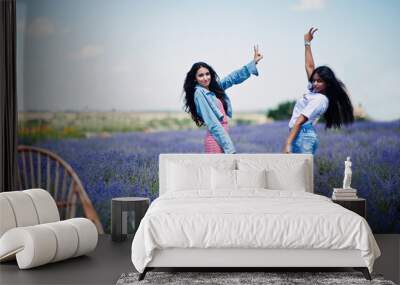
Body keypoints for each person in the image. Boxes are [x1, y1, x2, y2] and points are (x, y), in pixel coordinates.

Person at [283, 27, 354, 154]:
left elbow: (299, 121)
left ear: (327, 83)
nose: (315, 83)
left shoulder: (320, 100)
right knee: (297, 172)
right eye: (314, 80)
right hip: (300, 135)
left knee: (300, 173)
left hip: (302, 136)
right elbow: (310, 66)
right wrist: (307, 43)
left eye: (319, 81)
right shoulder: (315, 91)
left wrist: (288, 143)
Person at [183, 46, 263, 153]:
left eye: (207, 74)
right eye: (201, 75)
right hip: (216, 140)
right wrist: (229, 148)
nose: (206, 78)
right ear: (195, 78)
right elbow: (213, 122)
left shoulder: (213, 89)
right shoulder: (199, 93)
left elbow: (232, 78)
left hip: (222, 137)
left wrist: (253, 63)